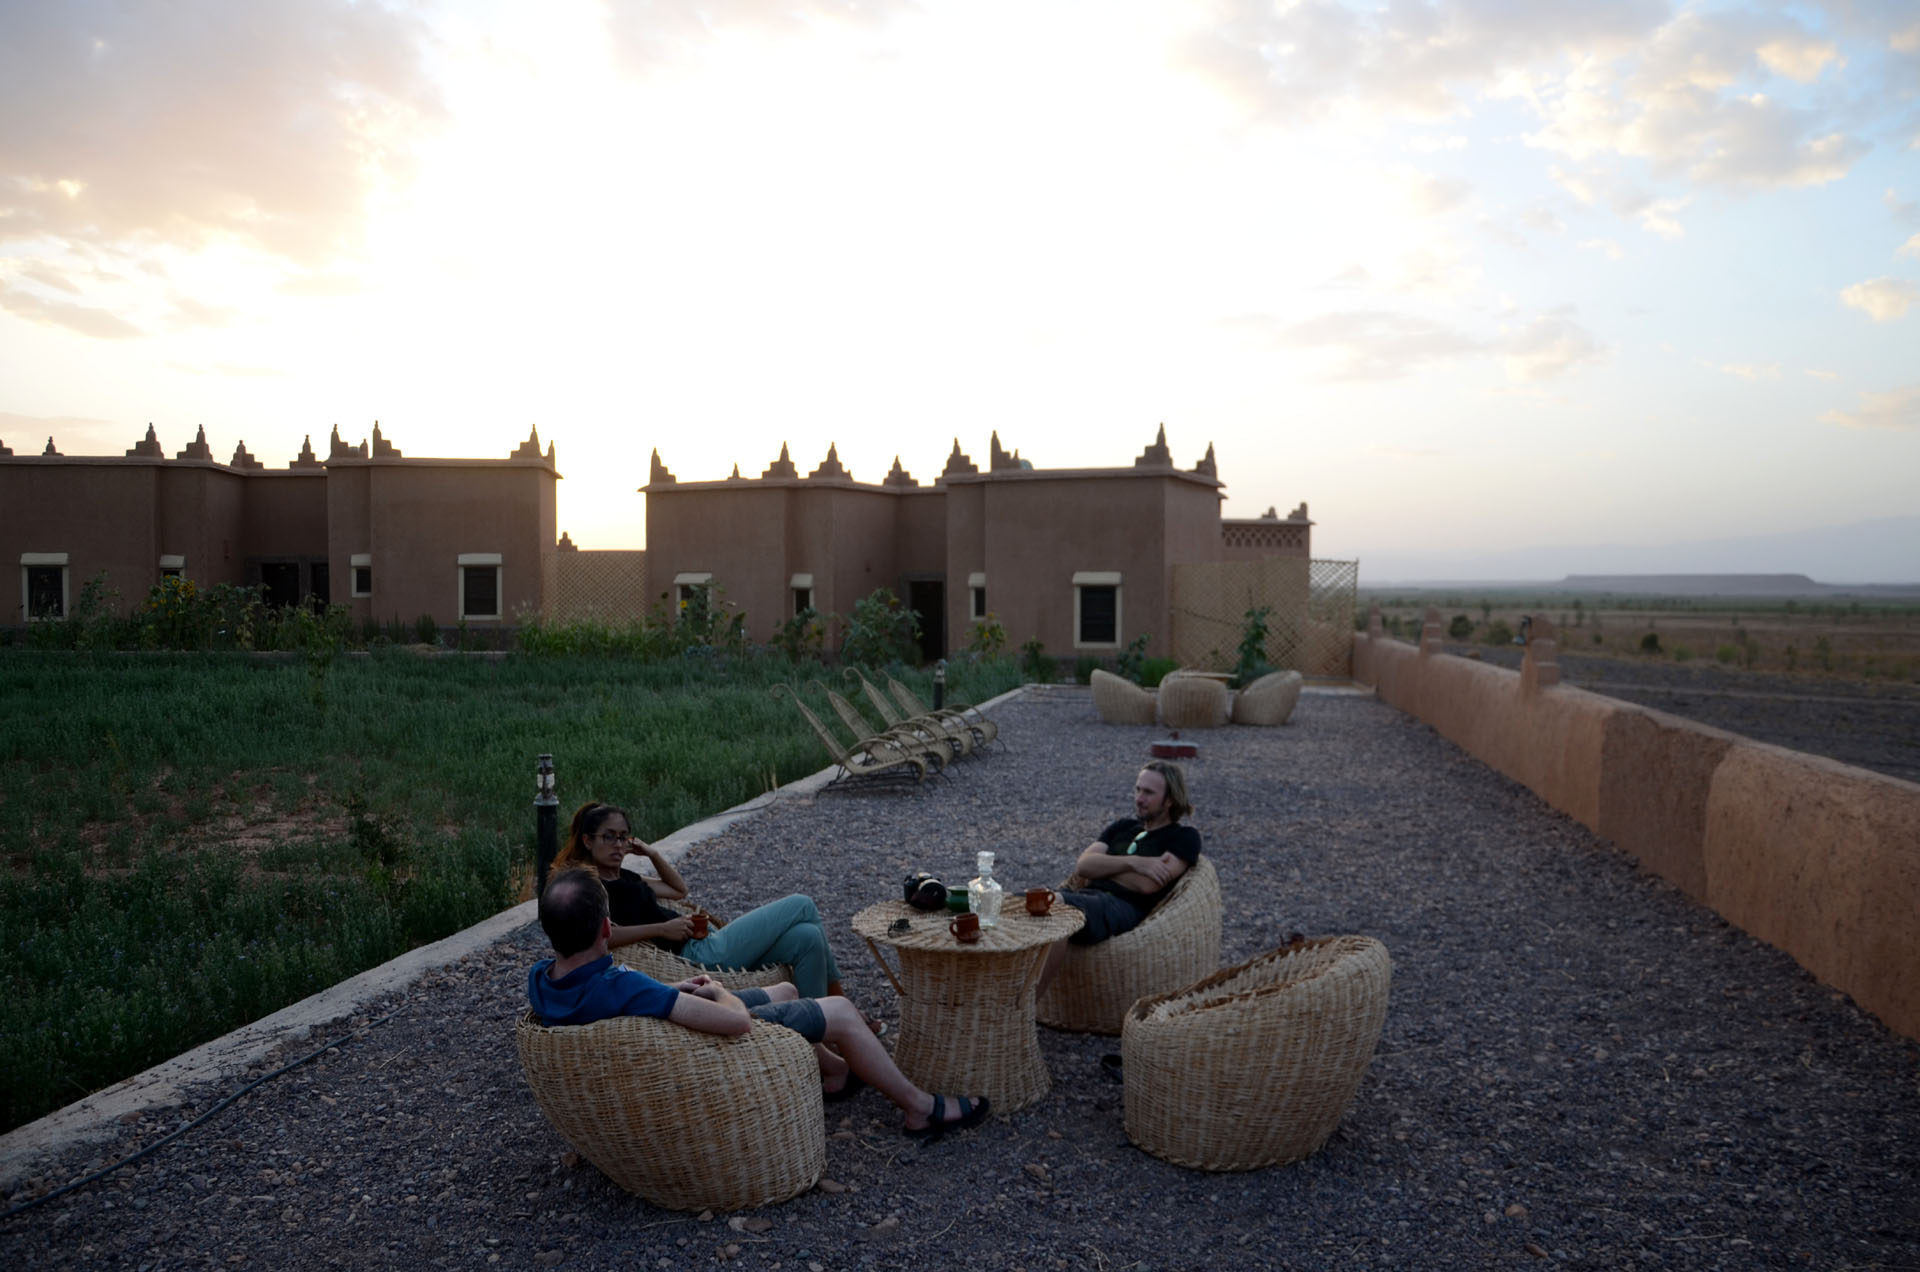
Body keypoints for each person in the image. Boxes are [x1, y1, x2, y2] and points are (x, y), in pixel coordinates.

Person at [529, 869, 990, 1138]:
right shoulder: (624, 988)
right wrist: (718, 994)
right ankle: (919, 1107)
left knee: (789, 991)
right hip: (698, 1047)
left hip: (666, 1025)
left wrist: (675, 994)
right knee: (843, 1014)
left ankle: (833, 1072)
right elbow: (736, 1025)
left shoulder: (542, 981)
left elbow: (630, 996)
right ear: (607, 930)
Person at [553, 801, 865, 1019]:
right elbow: (603, 935)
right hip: (699, 955)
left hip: (707, 938)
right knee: (802, 904)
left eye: (624, 837)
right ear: (588, 840)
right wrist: (662, 929)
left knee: (808, 937)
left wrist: (650, 852)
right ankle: (844, 1005)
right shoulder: (591, 885)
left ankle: (822, 1029)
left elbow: (678, 890)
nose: (618, 845)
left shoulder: (626, 876)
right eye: (609, 837)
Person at [1033, 760, 1202, 999]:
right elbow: (1084, 866)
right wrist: (1136, 863)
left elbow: (1147, 885)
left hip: (1123, 909)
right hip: (1087, 898)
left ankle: (1027, 1007)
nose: (1139, 798)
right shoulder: (1123, 827)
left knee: (1053, 905)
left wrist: (1105, 866)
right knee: (1019, 903)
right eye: (1138, 789)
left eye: (1149, 792)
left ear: (1170, 799)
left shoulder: (1184, 837)